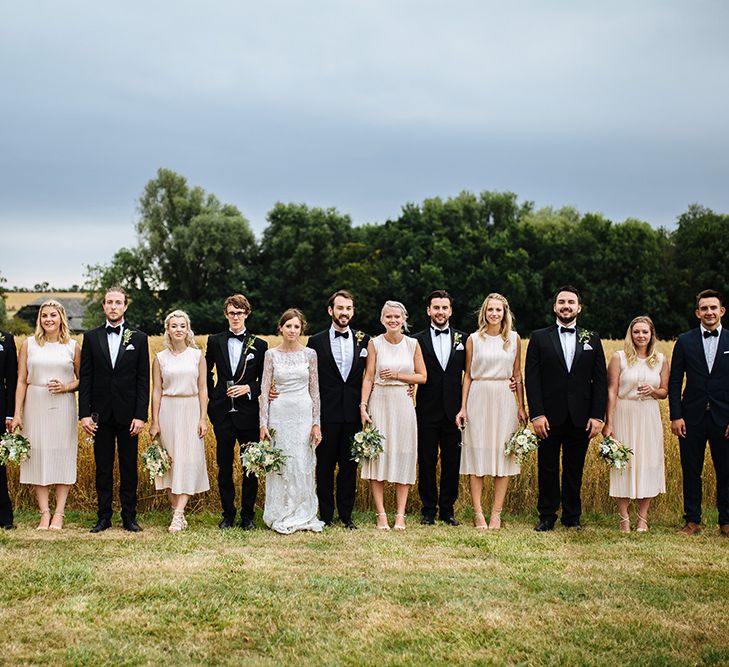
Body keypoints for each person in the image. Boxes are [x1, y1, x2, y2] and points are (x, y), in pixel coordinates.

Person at [525, 285, 607, 531]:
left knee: (574, 468)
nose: (566, 306)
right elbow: (532, 378)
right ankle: (547, 515)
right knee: (547, 466)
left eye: (571, 302)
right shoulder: (539, 337)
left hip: (581, 416)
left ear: (579, 308)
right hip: (548, 416)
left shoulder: (591, 338)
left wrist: (597, 415)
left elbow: (600, 380)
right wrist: (537, 414)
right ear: (554, 307)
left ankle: (572, 516)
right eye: (562, 302)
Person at [79, 286, 150, 533]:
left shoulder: (139, 338)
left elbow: (144, 380)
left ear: (125, 306)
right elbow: (85, 378)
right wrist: (84, 414)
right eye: (109, 302)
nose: (113, 306)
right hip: (100, 415)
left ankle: (129, 517)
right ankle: (103, 517)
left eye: (118, 302)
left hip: (129, 416)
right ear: (103, 306)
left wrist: (141, 415)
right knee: (103, 468)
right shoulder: (90, 337)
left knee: (129, 468)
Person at [456, 294, 527, 530]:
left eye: (498, 310)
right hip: (479, 396)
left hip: (504, 399)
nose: (494, 314)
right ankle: (478, 513)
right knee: (477, 456)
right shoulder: (473, 339)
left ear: (504, 313)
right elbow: (468, 375)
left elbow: (517, 375)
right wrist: (463, 407)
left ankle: (496, 513)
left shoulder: (514, 339)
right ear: (484, 313)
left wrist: (521, 406)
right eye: (490, 310)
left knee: (503, 456)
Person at [11, 300, 79, 530]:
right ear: (39, 319)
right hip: (35, 404)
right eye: (44, 316)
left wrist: (66, 387)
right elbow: (21, 380)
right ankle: (44, 513)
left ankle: (59, 513)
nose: (48, 319)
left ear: (61, 318)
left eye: (53, 315)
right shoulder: (29, 345)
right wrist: (17, 414)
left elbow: (83, 380)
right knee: (37, 456)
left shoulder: (72, 346)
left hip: (63, 405)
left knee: (62, 454)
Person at [360, 301, 427, 530]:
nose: (393, 320)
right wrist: (363, 406)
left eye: (397, 317)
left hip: (403, 403)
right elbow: (369, 376)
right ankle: (381, 515)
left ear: (404, 318)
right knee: (378, 456)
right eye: (388, 317)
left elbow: (422, 376)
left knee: (404, 454)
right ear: (382, 319)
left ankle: (400, 515)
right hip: (379, 402)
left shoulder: (413, 344)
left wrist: (400, 376)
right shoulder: (374, 344)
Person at [306, 290, 370, 529]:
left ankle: (346, 515)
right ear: (330, 310)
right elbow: (308, 379)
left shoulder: (364, 339)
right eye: (340, 308)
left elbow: (370, 376)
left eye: (349, 308)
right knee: (323, 467)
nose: (345, 312)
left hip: (353, 414)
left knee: (348, 467)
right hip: (326, 414)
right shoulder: (316, 341)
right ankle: (326, 515)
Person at [669, 289, 729, 537]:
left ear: (721, 311)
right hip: (690, 418)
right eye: (704, 308)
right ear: (697, 313)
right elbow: (674, 381)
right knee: (691, 470)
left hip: (723, 418)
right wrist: (675, 416)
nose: (709, 312)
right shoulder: (685, 341)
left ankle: (726, 522)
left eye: (713, 308)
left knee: (726, 471)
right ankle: (692, 520)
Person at [259, 309, 324, 534]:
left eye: (296, 327)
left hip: (303, 413)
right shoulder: (271, 355)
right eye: (288, 326)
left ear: (301, 329)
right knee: (282, 462)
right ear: (281, 328)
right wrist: (263, 424)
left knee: (302, 462)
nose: (292, 330)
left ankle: (303, 511)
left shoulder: (310, 355)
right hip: (279, 413)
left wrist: (316, 423)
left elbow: (315, 391)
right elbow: (264, 389)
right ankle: (280, 511)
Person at [206, 294, 267, 530]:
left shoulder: (259, 345)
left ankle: (248, 516)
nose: (235, 317)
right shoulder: (215, 341)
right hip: (222, 413)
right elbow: (206, 371)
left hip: (248, 414)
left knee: (250, 467)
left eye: (240, 313)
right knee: (224, 466)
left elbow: (266, 378)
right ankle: (228, 514)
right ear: (226, 314)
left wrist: (249, 388)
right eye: (232, 313)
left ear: (246, 314)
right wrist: (214, 396)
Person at [603, 316, 668, 532]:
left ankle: (642, 518)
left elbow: (664, 392)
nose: (641, 336)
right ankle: (624, 519)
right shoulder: (619, 358)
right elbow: (611, 391)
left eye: (645, 332)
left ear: (651, 335)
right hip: (624, 412)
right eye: (637, 332)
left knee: (648, 463)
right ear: (631, 334)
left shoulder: (660, 360)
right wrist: (609, 422)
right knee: (623, 464)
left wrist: (653, 391)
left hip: (648, 414)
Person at [149, 310, 210, 533]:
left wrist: (203, 418)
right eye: (174, 326)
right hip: (168, 410)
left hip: (191, 408)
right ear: (167, 329)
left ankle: (178, 514)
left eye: (182, 326)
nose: (178, 329)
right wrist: (154, 421)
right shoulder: (160, 358)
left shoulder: (197, 356)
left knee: (188, 461)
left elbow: (203, 389)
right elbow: (156, 391)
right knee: (169, 463)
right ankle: (177, 511)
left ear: (188, 329)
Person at [413, 290, 466, 526]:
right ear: (428, 310)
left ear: (450, 310)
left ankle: (447, 509)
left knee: (452, 461)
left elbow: (472, 374)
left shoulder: (464, 340)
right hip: (426, 409)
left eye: (444, 308)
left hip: (454, 411)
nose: (440, 312)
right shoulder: (417, 340)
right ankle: (428, 509)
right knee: (426, 460)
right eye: (436, 307)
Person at [0, 327, 18, 530]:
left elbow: (12, 379)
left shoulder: (6, 339)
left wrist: (10, 414)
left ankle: (4, 517)